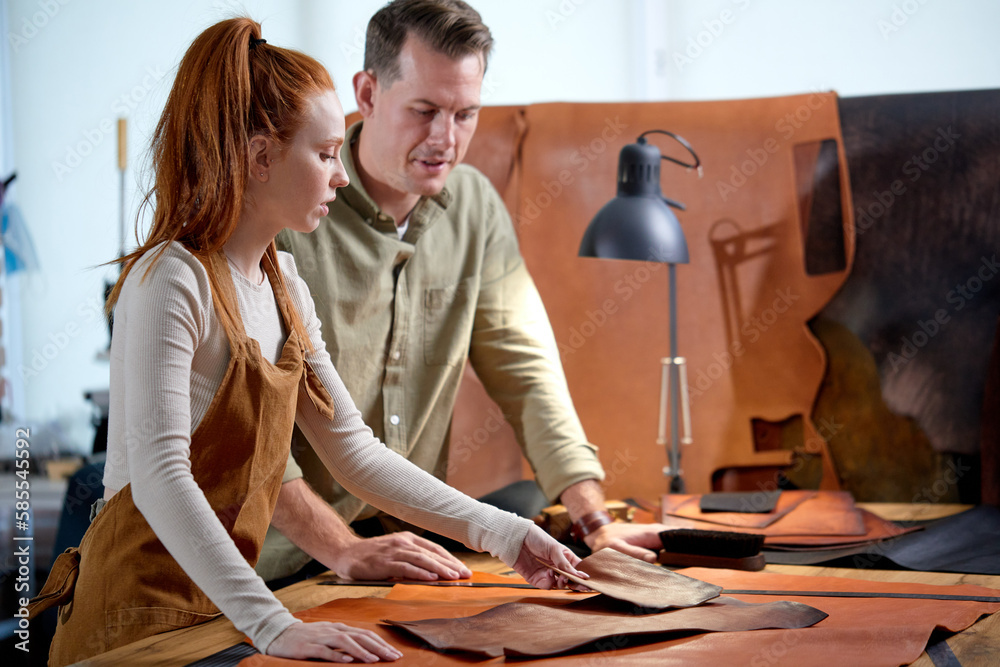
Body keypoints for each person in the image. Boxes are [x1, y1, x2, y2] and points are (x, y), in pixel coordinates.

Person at [27, 17, 584, 666]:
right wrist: (273, 626)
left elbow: (354, 452)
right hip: (132, 627)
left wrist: (507, 533)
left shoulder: (282, 280)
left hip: (220, 611)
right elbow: (159, 477)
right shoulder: (169, 279)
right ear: (261, 158)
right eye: (324, 156)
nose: (339, 176)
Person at [262, 0, 670, 586]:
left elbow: (526, 373)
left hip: (402, 556)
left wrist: (594, 519)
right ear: (368, 94)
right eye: (425, 110)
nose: (444, 139)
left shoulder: (474, 206)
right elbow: (247, 438)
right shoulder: (291, 208)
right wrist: (342, 546)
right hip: (273, 562)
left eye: (465, 114)